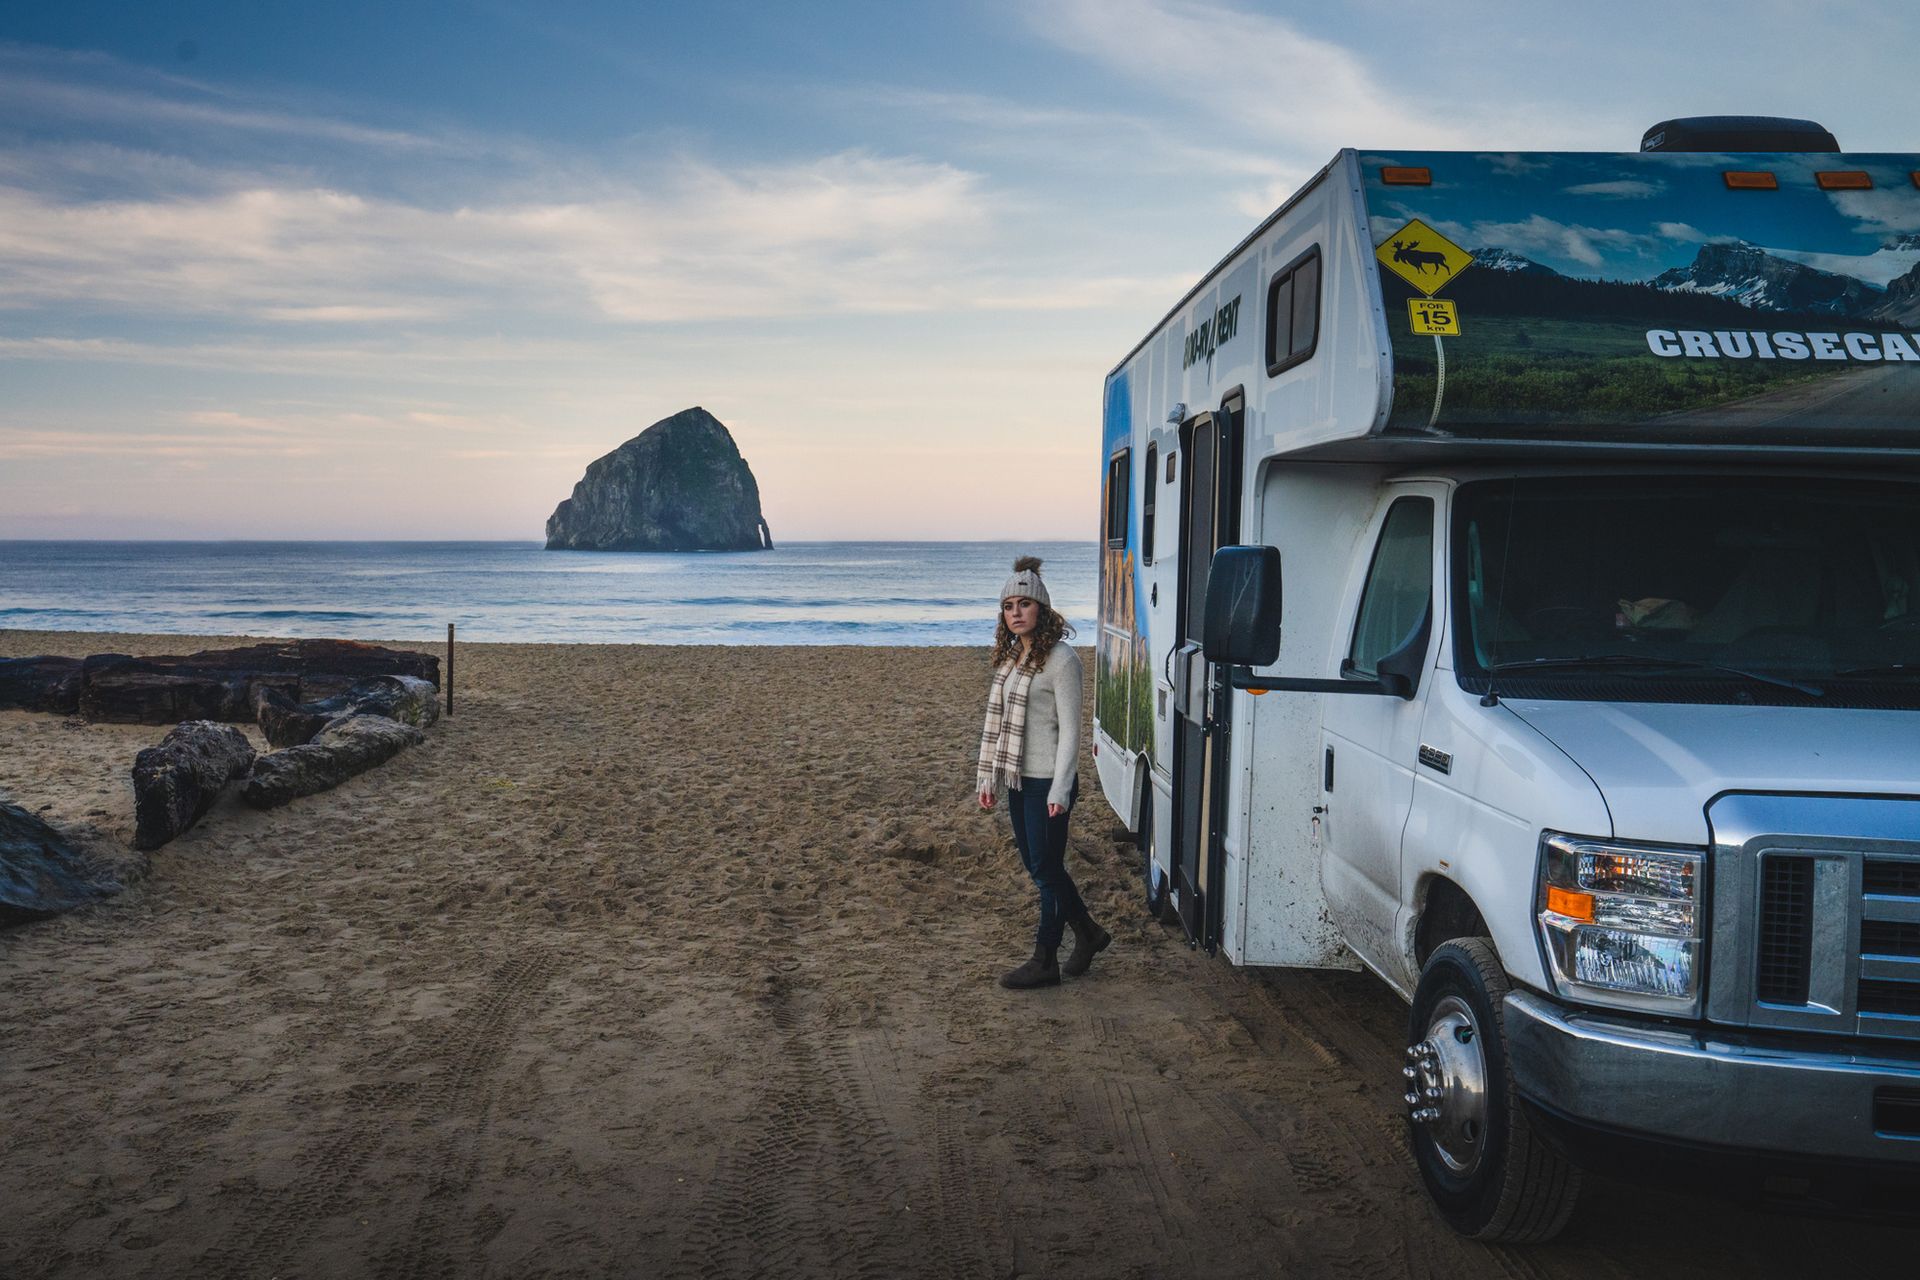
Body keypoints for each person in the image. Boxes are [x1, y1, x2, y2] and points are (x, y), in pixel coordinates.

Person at [975, 556, 1109, 989]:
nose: (1016, 612)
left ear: (1042, 610)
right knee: (1040, 867)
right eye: (1009, 605)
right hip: (1018, 777)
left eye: (1025, 604)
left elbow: (1071, 731)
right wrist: (989, 777)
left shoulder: (1061, 661)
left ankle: (1045, 958)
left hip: (1048, 782)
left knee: (1047, 870)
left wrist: (1060, 789)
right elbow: (995, 724)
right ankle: (1089, 933)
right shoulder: (1013, 658)